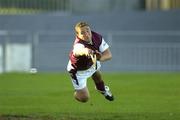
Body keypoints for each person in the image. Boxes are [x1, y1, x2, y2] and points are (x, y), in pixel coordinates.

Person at [67, 21, 114, 103]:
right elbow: (79, 51)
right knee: (84, 98)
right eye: (82, 33)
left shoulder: (97, 37)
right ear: (78, 35)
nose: (87, 34)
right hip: (78, 71)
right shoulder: (78, 44)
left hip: (92, 63)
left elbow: (108, 55)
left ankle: (101, 89)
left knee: (97, 75)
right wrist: (87, 51)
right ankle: (77, 93)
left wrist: (100, 58)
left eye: (88, 31)